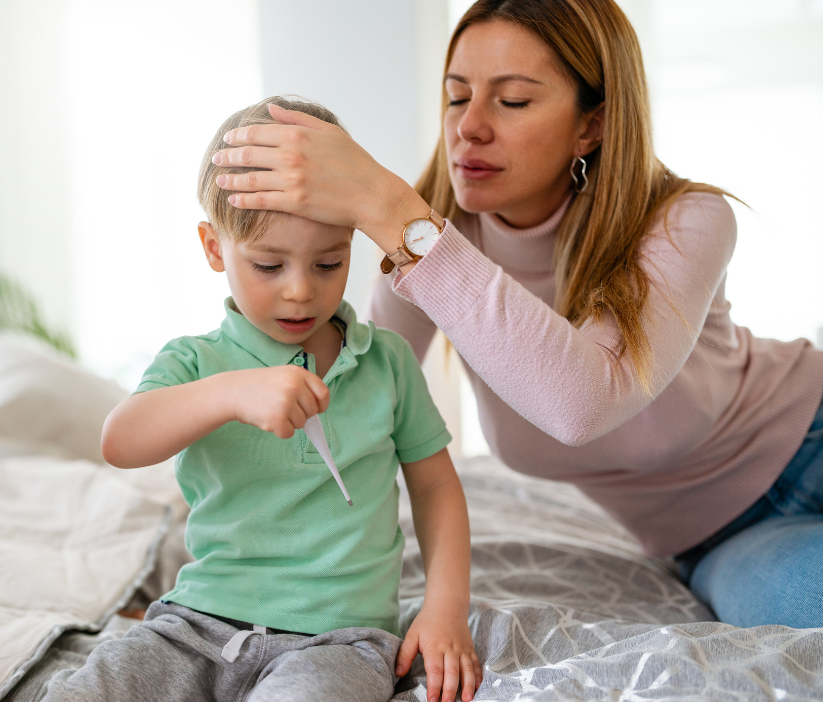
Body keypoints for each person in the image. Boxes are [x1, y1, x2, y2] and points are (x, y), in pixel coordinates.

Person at [210, 0, 823, 629]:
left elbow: (583, 401)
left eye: (513, 101)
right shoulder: (435, 248)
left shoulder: (686, 221)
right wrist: (219, 597)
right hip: (713, 538)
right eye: (456, 97)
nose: (469, 127)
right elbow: (345, 410)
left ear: (593, 125)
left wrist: (386, 203)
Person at [10, 98, 482, 702]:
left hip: (338, 641)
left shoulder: (384, 363)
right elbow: (120, 439)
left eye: (328, 263)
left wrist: (444, 605)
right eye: (268, 264)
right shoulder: (196, 361)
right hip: (197, 629)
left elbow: (439, 488)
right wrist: (231, 394)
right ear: (213, 249)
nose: (300, 291)